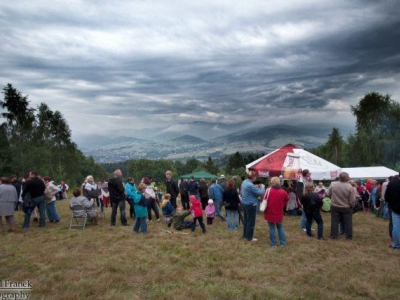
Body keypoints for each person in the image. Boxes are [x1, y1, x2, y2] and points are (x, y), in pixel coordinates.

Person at [328, 172, 355, 240]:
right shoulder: (350, 187)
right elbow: (352, 200)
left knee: (334, 222)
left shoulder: (333, 184)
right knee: (348, 222)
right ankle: (349, 236)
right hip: (346, 207)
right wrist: (351, 205)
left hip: (335, 206)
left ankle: (334, 236)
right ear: (347, 178)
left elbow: (328, 194)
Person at [264, 177, 289, 246]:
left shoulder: (268, 190)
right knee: (280, 227)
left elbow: (263, 198)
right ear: (279, 182)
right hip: (279, 212)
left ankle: (273, 243)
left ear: (271, 182)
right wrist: (283, 204)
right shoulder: (283, 191)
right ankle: (283, 243)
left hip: (270, 211)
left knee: (272, 228)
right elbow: (287, 199)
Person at [240, 170, 265, 242]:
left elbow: (251, 188)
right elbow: (260, 193)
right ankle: (250, 238)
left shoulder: (244, 182)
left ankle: (245, 235)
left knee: (246, 220)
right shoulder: (250, 185)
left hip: (244, 204)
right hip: (251, 205)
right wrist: (262, 187)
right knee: (251, 222)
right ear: (253, 177)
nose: (256, 178)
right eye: (255, 177)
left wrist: (256, 186)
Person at [384, 173, 400, 250]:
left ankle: (396, 244)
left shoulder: (392, 183)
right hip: (395, 207)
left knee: (396, 226)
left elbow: (386, 196)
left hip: (395, 207)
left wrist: (391, 202)